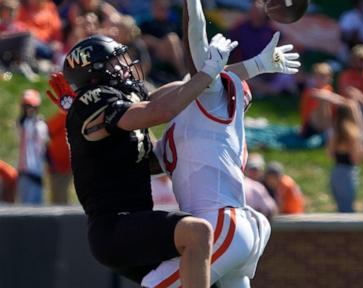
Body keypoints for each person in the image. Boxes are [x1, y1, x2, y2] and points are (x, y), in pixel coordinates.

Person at [47, 32, 239, 287]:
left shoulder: (121, 103)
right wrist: (206, 73)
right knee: (197, 232)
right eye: (115, 62)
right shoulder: (90, 102)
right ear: (93, 72)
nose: (125, 66)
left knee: (212, 278)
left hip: (134, 223)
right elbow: (160, 111)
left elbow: (183, 87)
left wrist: (251, 67)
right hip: (114, 227)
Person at [142, 0, 300, 286]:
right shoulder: (188, 122)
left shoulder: (209, 96)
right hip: (233, 228)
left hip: (219, 224)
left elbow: (196, 39)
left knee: (153, 285)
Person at [327, 102, 363, 212]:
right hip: (348, 174)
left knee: (341, 209)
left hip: (336, 172)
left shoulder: (335, 132)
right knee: (348, 211)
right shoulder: (352, 133)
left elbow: (330, 154)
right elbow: (355, 159)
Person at [17, 89, 49, 204]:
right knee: (26, 209)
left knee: (37, 207)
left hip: (37, 174)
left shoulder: (40, 124)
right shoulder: (24, 124)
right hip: (25, 173)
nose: (28, 110)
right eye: (26, 107)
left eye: (31, 107)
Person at [46, 110, 72, 204]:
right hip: (56, 165)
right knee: (57, 196)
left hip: (69, 165)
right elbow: (47, 129)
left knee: (63, 195)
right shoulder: (64, 115)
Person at [244, 153, 278, 219]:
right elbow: (271, 209)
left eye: (256, 169)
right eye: (251, 169)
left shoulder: (269, 184)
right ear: (246, 169)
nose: (254, 172)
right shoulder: (257, 187)